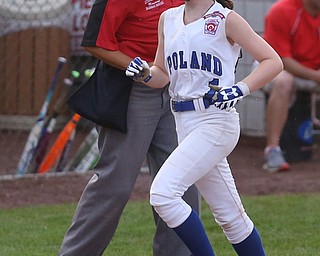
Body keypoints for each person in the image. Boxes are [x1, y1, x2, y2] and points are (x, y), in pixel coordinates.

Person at [126, 0, 283, 255]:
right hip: (183, 121)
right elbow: (162, 74)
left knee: (163, 194)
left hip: (215, 121)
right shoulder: (168, 18)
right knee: (231, 217)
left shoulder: (225, 18)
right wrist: (145, 73)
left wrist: (240, 88)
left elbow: (272, 60)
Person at [58, 1, 200, 255]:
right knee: (115, 184)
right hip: (134, 90)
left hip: (178, 89)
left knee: (181, 181)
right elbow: (95, 42)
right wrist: (137, 67)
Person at [263, 0, 320, 173]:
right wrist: (316, 76)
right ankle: (272, 150)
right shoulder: (282, 10)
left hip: (313, 70)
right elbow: (281, 60)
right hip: (275, 67)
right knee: (284, 81)